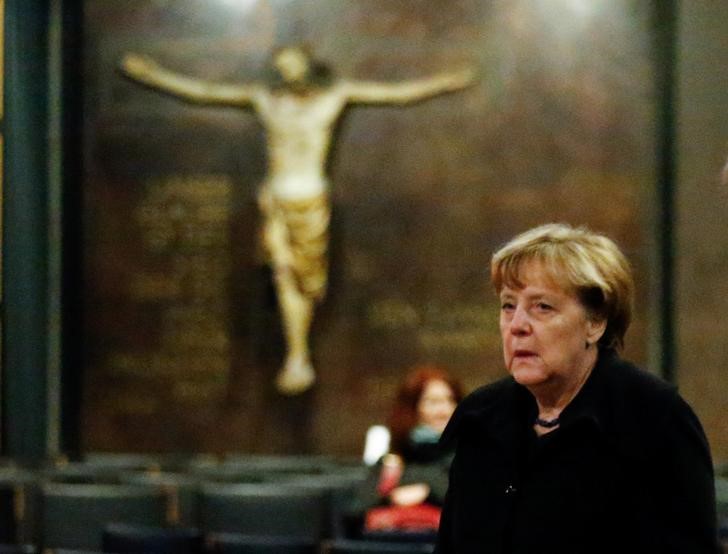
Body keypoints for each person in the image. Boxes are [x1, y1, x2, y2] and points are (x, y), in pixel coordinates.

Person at [120, 46, 476, 395]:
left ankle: (299, 355)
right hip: (276, 197)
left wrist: (446, 82)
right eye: (281, 66)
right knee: (283, 273)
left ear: (308, 64)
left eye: (293, 63)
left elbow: (395, 94)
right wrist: (153, 76)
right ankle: (297, 358)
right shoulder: (267, 101)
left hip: (308, 199)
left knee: (305, 280)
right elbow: (206, 93)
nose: (288, 71)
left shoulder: (334, 97)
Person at [435, 223, 721, 553]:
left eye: (542, 307)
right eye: (508, 305)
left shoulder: (654, 419)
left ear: (595, 322)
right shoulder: (481, 418)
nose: (517, 326)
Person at [349, 366, 464, 535]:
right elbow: (354, 513)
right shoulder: (392, 463)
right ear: (412, 409)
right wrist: (390, 498)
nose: (444, 410)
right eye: (433, 402)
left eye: (450, 400)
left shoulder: (469, 457)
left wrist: (428, 492)